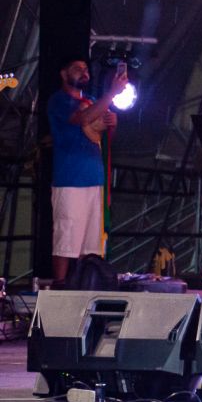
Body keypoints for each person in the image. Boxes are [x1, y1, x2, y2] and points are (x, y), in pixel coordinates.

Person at [47, 58, 128, 283]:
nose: (83, 72)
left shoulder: (91, 100)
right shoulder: (59, 100)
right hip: (70, 180)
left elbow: (103, 137)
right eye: (77, 69)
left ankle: (85, 286)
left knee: (91, 245)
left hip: (95, 179)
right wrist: (112, 93)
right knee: (67, 240)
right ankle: (60, 289)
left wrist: (112, 123)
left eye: (85, 69)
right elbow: (82, 118)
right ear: (64, 74)